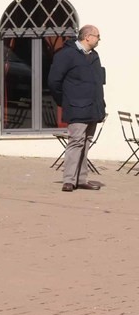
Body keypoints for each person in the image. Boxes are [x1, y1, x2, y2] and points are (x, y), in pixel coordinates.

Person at [48, 24, 106, 192]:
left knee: (86, 142)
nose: (99, 40)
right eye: (97, 36)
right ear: (87, 37)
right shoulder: (66, 55)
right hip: (76, 107)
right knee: (75, 142)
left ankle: (81, 179)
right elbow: (54, 82)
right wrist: (64, 101)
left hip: (93, 108)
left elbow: (98, 83)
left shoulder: (94, 56)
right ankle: (69, 180)